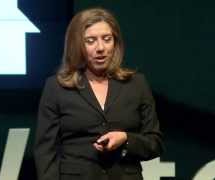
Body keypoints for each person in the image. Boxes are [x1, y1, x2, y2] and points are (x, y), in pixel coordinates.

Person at [34, 7, 163, 180]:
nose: (100, 47)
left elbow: (155, 143)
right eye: (91, 40)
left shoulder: (137, 84)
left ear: (115, 43)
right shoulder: (56, 87)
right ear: (77, 45)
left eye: (107, 39)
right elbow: (45, 151)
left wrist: (125, 139)